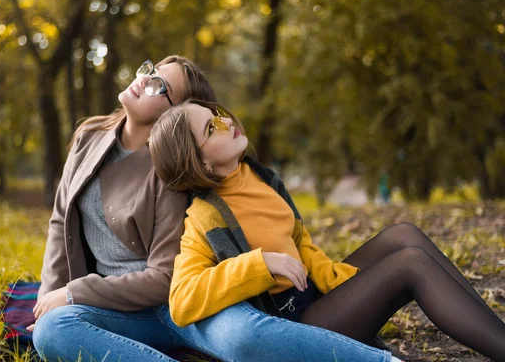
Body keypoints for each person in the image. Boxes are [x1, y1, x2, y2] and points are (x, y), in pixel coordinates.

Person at [30, 57, 398, 362]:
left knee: (243, 337)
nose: (144, 81)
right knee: (52, 331)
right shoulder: (89, 138)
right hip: (115, 310)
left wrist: (77, 292)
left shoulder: (173, 174)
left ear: (176, 120)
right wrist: (51, 299)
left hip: (177, 304)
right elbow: (61, 219)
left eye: (161, 86)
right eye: (150, 71)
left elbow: (165, 279)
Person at [148, 99, 505, 362]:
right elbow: (181, 302)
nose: (226, 123)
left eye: (217, 116)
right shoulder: (204, 218)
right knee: (410, 264)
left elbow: (298, 237)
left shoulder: (258, 177)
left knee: (404, 234)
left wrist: (331, 275)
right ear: (200, 162)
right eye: (211, 129)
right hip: (298, 322)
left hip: (318, 294)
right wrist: (260, 265)